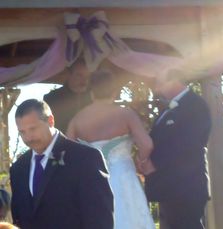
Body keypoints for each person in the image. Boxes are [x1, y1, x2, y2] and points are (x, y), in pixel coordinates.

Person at [66, 70, 156, 229]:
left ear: (92, 92)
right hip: (124, 179)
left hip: (92, 182)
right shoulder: (125, 114)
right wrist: (142, 161)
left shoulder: (77, 119)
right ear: (114, 91)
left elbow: (67, 155)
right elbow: (146, 144)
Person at [10, 99, 114, 229]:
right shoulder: (18, 168)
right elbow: (19, 218)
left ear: (50, 121)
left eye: (33, 129)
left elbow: (99, 217)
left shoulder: (85, 158)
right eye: (22, 132)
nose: (29, 138)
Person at [140, 69, 212, 229]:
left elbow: (189, 144)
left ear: (174, 81)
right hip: (170, 185)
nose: (157, 89)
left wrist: (155, 163)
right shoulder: (169, 109)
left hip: (186, 185)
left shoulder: (195, 105)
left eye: (160, 84)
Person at [44, 58, 92, 133]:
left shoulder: (93, 98)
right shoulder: (52, 98)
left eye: (87, 76)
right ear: (69, 74)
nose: (84, 80)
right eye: (79, 75)